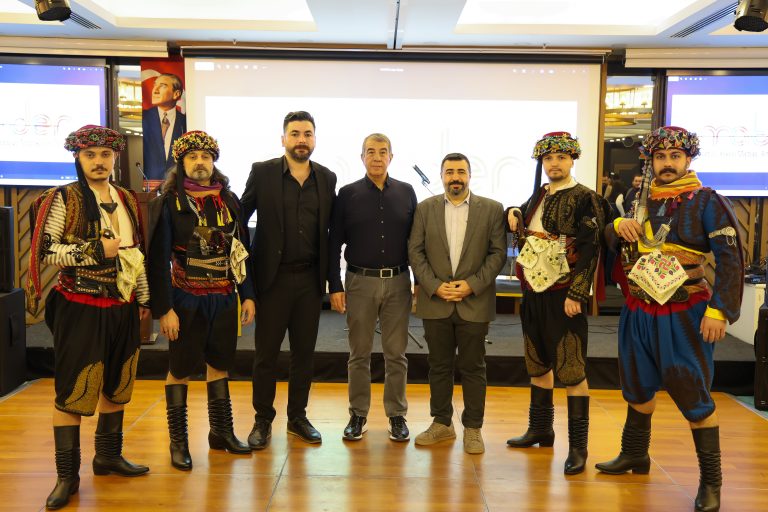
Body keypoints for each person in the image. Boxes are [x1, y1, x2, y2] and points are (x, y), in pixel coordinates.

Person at [595, 126, 744, 512]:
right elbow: (613, 241)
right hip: (638, 306)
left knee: (692, 390)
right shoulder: (637, 198)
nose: (667, 163)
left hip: (684, 309)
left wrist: (720, 310)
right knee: (637, 382)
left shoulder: (707, 200)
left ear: (688, 159)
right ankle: (634, 453)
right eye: (660, 157)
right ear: (651, 160)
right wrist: (616, 227)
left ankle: (711, 482)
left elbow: (730, 258)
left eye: (675, 156)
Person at [25, 125, 151, 510]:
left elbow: (133, 252)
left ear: (115, 158)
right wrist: (96, 251)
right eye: (90, 155)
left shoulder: (126, 197)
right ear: (77, 158)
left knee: (118, 382)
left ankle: (108, 456)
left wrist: (143, 296)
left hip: (122, 304)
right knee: (73, 389)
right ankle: (66, 476)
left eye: (105, 155)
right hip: (79, 305)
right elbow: (47, 251)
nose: (98, 162)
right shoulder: (62, 198)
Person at [147, 130, 256, 470]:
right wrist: (164, 309)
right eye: (192, 157)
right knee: (179, 369)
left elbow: (241, 251)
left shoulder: (230, 200)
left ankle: (221, 433)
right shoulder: (169, 203)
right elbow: (157, 261)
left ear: (213, 162)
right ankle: (178, 442)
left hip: (223, 297)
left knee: (220, 365)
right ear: (181, 163)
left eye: (205, 157)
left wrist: (247, 295)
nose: (199, 162)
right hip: (185, 298)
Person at [505, 132, 610, 475]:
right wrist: (513, 210)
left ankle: (578, 448)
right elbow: (525, 218)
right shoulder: (541, 193)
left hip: (564, 293)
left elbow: (591, 249)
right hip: (534, 290)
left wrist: (577, 294)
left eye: (561, 158)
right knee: (537, 363)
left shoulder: (586, 198)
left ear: (572, 160)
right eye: (548, 158)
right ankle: (540, 429)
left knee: (572, 367)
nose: (554, 164)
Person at [240, 111, 337, 449]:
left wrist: (333, 282)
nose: (301, 140)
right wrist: (245, 276)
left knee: (304, 355)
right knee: (266, 355)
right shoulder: (262, 172)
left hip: (310, 281)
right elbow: (239, 220)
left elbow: (330, 233)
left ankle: (297, 417)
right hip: (272, 280)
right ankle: (262, 420)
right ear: (283, 139)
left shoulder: (327, 178)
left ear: (314, 139)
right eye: (294, 133)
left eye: (307, 134)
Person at [408, 152, 506, 454]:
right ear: (441, 176)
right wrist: (434, 286)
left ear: (469, 175)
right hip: (435, 301)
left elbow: (498, 254)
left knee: (473, 367)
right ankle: (442, 423)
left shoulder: (492, 209)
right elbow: (415, 251)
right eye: (449, 172)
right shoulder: (424, 209)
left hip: (474, 302)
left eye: (460, 172)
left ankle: (473, 428)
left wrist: (471, 285)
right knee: (438, 366)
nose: (455, 177)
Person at [328, 133, 417, 442]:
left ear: (391, 157)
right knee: (359, 353)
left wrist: (419, 281)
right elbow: (334, 242)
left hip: (398, 282)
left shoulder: (406, 192)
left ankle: (397, 415)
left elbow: (415, 242)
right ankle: (358, 414)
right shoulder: (347, 194)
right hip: (359, 282)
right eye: (371, 152)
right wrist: (334, 284)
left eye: (382, 152)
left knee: (396, 354)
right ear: (362, 157)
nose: (377, 157)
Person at [142, 73, 187, 181]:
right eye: (155, 85)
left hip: (177, 184)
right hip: (148, 185)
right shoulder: (143, 118)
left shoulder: (186, 122)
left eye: (162, 86)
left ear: (176, 94)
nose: (155, 90)